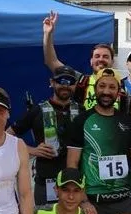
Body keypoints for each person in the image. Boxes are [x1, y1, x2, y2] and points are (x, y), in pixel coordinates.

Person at [66, 74, 131, 214]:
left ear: (118, 92)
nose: (106, 91)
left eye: (112, 87)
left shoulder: (126, 121)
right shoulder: (82, 121)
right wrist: (83, 200)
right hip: (95, 201)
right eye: (102, 86)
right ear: (95, 90)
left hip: (125, 199)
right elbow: (72, 165)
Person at [8, 66, 81, 205]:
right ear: (52, 82)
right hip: (46, 182)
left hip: (75, 183)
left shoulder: (81, 111)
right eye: (61, 81)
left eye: (70, 82)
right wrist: (32, 150)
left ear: (75, 85)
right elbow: (7, 137)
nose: (65, 85)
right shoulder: (37, 110)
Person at [42, 11, 114, 108]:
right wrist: (47, 34)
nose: (101, 59)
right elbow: (51, 61)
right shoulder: (81, 81)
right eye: (97, 56)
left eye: (105, 56)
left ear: (112, 61)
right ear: (91, 61)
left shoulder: (121, 86)